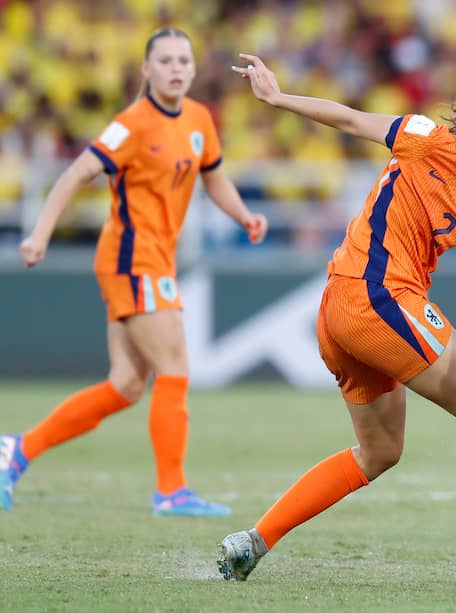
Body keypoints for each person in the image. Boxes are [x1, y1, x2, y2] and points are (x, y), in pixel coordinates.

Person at [216, 53, 456, 589]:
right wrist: (277, 97)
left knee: (380, 451)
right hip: (375, 296)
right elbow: (348, 119)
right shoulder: (428, 138)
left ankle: (254, 541)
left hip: (349, 310)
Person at [0, 28, 267, 516]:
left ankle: (15, 451)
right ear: (146, 70)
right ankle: (171, 491)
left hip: (153, 258)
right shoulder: (131, 125)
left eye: (183, 60)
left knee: (125, 385)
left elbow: (214, 176)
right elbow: (74, 175)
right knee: (175, 368)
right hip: (131, 256)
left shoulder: (199, 118)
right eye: (164, 61)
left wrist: (244, 215)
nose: (176, 68)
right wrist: (40, 235)